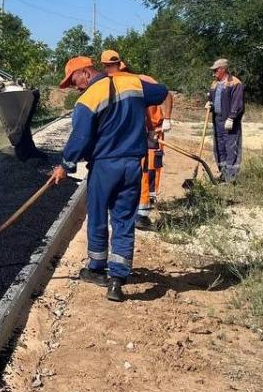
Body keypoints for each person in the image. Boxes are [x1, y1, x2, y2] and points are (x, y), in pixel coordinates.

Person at [50, 51, 170, 302]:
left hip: (105, 166)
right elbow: (161, 91)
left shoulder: (89, 98)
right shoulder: (132, 83)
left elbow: (80, 137)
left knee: (97, 215)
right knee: (124, 220)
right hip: (132, 165)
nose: (74, 87)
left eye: (74, 81)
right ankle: (117, 280)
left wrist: (65, 164)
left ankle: (96, 269)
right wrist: (134, 79)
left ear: (85, 72)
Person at [116, 59, 174, 231]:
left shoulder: (144, 81)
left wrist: (167, 120)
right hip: (141, 132)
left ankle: (143, 213)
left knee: (149, 170)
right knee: (140, 171)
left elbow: (167, 95)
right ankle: (138, 209)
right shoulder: (122, 85)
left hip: (153, 131)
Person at [206, 58, 244, 182]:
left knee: (231, 147)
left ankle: (231, 178)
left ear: (223, 69)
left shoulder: (235, 83)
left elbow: (237, 103)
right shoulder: (215, 83)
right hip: (217, 120)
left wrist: (231, 117)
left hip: (229, 121)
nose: (214, 73)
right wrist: (210, 104)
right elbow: (212, 98)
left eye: (216, 70)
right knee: (219, 147)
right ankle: (223, 174)